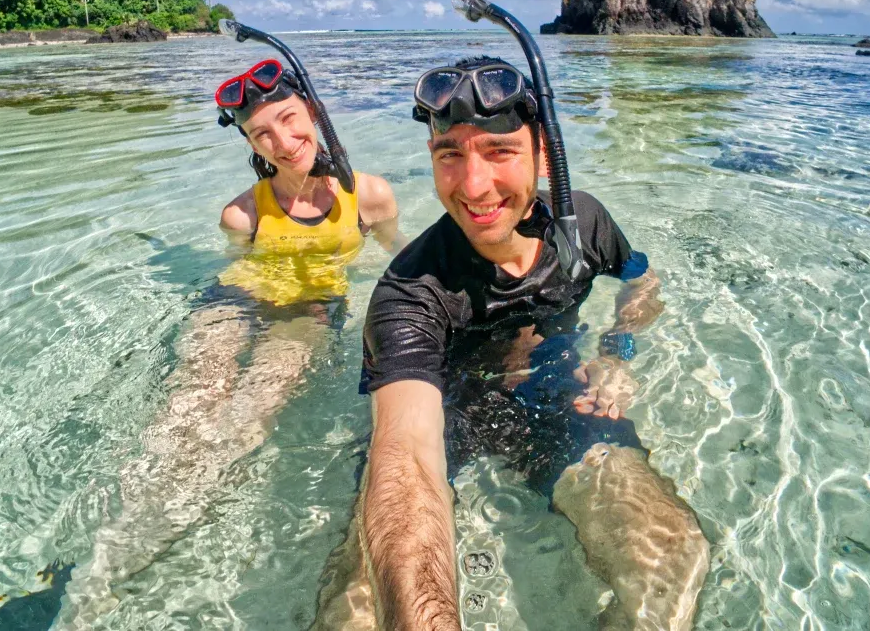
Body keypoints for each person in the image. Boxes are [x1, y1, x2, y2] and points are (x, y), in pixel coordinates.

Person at [314, 53, 709, 631]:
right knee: (361, 607)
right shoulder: (409, 289)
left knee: (674, 554)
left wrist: (616, 351)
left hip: (555, 396)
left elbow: (641, 283)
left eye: (500, 151)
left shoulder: (586, 225)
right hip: (447, 412)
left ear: (543, 153)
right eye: (450, 155)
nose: (474, 186)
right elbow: (408, 452)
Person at [55, 57, 399, 627]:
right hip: (232, 304)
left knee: (242, 421)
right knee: (183, 411)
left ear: (311, 111)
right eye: (262, 133)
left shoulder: (370, 196)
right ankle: (101, 552)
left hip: (308, 314)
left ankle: (123, 561)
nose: (284, 142)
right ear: (249, 142)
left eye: (290, 120)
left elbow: (401, 255)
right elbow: (241, 272)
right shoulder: (240, 214)